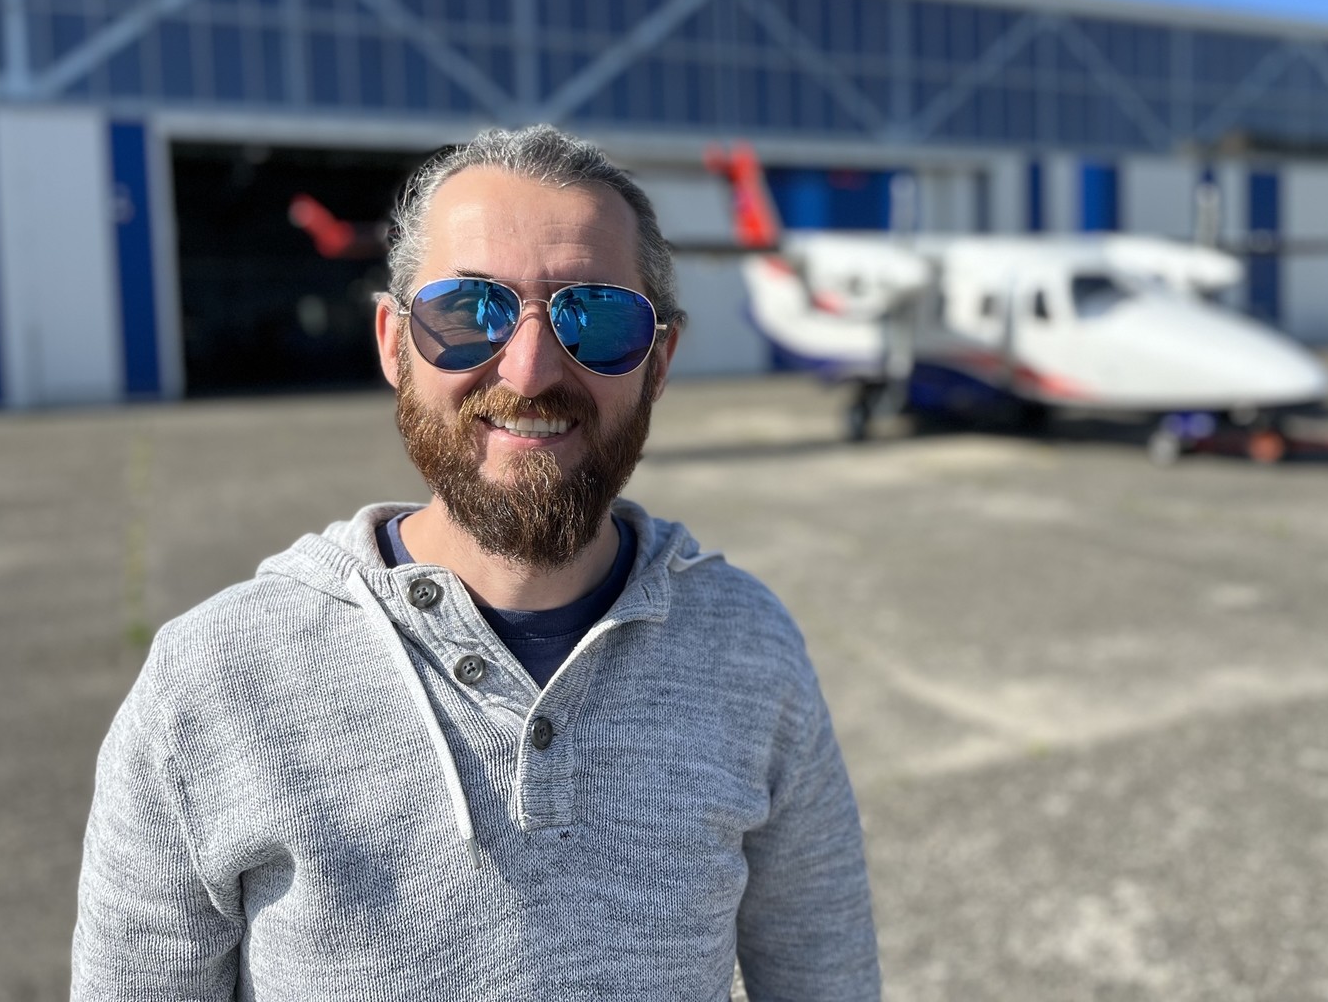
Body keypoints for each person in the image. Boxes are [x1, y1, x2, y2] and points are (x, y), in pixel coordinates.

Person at [71, 125, 881, 1001]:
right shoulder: (210, 684)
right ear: (393, 343)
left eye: (597, 318)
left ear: (659, 364)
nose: (529, 372)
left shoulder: (751, 652)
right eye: (469, 312)